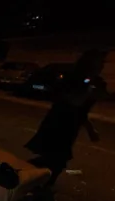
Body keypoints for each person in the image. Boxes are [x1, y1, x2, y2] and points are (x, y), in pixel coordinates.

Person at [25, 49, 107, 187]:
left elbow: (82, 110)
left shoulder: (93, 82)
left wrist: (90, 129)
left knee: (55, 160)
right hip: (58, 123)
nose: (101, 66)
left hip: (70, 126)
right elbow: (70, 101)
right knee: (55, 159)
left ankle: (37, 184)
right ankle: (30, 181)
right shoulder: (74, 78)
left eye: (102, 62)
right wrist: (89, 90)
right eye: (99, 62)